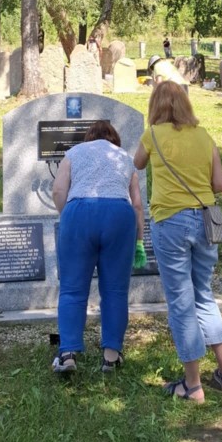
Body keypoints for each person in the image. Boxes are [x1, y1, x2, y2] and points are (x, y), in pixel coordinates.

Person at [134, 82, 222, 402]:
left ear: (156, 105)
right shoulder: (204, 136)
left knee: (181, 300)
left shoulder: (153, 135)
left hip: (170, 220)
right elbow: (220, 184)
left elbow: (137, 163)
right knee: (204, 293)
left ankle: (193, 385)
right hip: (207, 220)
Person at [51, 120, 145, 373]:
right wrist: (139, 239)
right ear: (115, 139)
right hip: (119, 215)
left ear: (89, 138)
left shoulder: (74, 153)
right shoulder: (124, 157)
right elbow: (137, 204)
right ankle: (111, 356)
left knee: (72, 289)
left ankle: (68, 354)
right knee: (115, 290)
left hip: (79, 213)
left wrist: (69, 215)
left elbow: (58, 191)